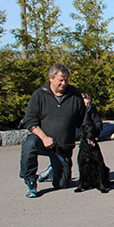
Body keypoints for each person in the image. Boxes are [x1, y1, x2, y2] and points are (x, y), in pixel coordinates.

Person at [19, 63, 86, 197]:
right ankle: (30, 181)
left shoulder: (75, 96)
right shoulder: (39, 95)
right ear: (51, 78)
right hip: (41, 140)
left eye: (66, 80)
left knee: (62, 184)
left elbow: (83, 121)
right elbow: (30, 121)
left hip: (62, 146)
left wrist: (89, 138)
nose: (64, 83)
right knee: (29, 146)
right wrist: (44, 138)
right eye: (60, 80)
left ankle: (52, 170)